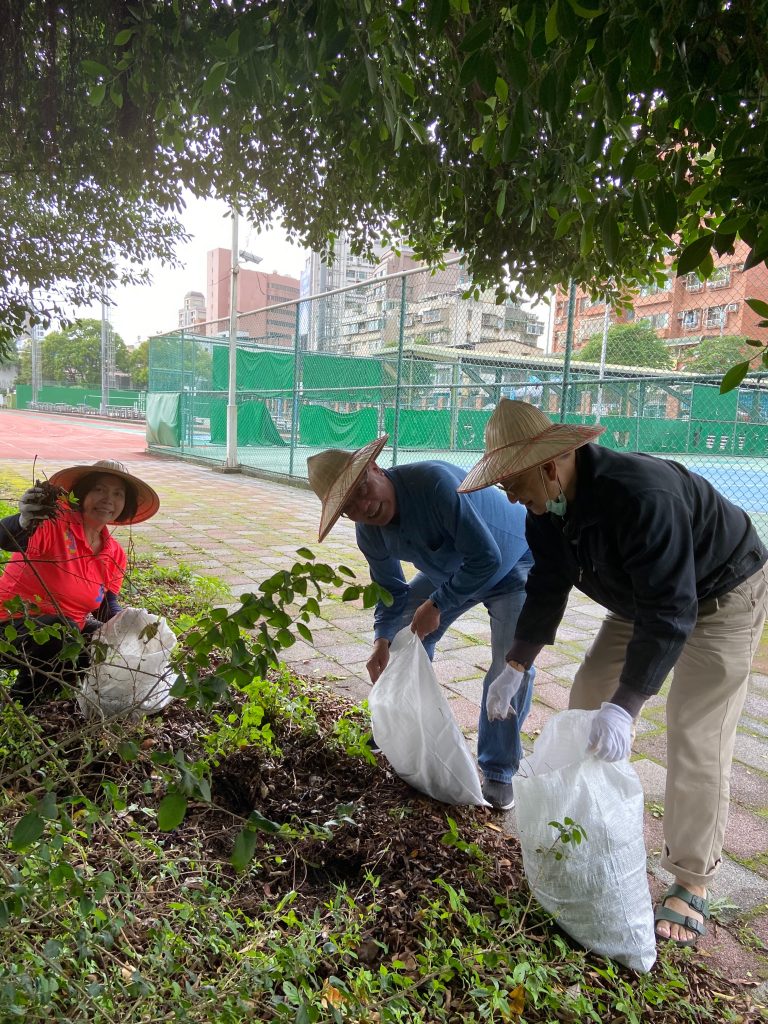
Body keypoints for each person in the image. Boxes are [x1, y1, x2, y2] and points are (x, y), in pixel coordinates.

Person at [458, 398, 768, 946]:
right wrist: (515, 663)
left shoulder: (641, 494)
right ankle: (582, 824)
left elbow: (673, 610)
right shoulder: (546, 509)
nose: (509, 496)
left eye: (513, 483)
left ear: (550, 466)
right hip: (640, 595)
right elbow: (549, 581)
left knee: (694, 732)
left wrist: (628, 708)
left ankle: (691, 880)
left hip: (723, 592)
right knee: (587, 697)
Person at [306, 434, 535, 811]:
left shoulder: (432, 484)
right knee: (400, 636)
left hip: (512, 560)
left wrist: (439, 603)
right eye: (350, 507)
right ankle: (403, 728)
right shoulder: (371, 533)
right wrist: (382, 638)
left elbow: (486, 559)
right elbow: (391, 592)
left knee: (509, 667)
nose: (365, 505)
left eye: (363, 488)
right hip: (458, 567)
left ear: (376, 468)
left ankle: (498, 771)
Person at [0, 459, 160, 707]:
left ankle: (60, 690)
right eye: (99, 489)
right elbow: (9, 538)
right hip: (11, 627)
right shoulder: (54, 523)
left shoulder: (114, 553)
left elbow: (106, 604)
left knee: (106, 649)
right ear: (82, 494)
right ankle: (23, 704)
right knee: (62, 631)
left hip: (67, 632)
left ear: (124, 504)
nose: (108, 499)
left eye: (118, 494)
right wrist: (23, 520)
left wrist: (131, 623)